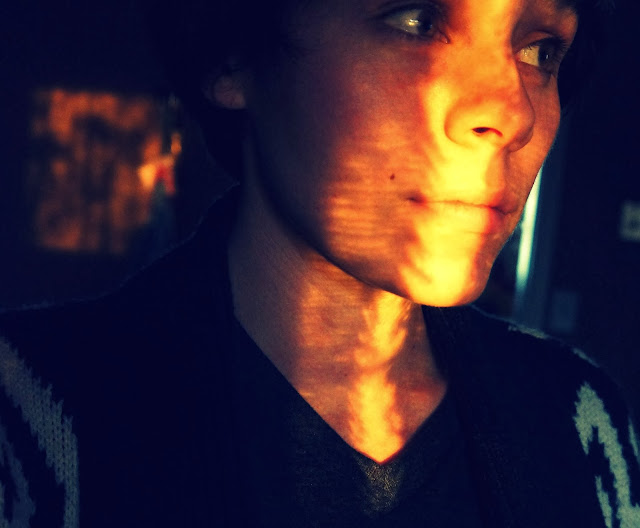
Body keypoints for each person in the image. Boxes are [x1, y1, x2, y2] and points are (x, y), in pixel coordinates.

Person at [1, 0, 638, 526]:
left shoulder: (581, 424)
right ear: (235, 52)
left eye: (540, 51)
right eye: (416, 21)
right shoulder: (26, 417)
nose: (512, 112)